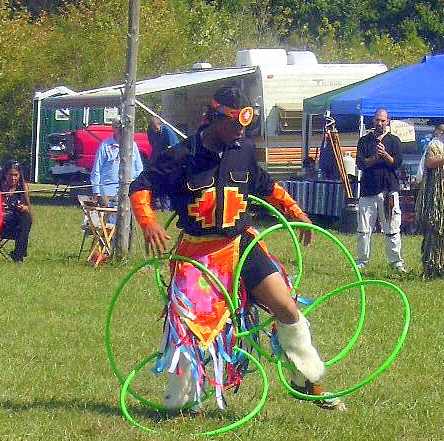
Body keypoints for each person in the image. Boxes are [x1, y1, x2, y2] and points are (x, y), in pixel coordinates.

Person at [130, 87, 345, 412]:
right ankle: (182, 403)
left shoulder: (244, 150)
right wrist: (149, 223)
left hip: (241, 245)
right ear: (215, 118)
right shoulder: (182, 156)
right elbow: (140, 186)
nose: (242, 131)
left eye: (247, 124)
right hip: (198, 254)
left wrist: (296, 212)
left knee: (287, 308)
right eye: (235, 124)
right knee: (189, 328)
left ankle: (308, 379)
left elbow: (265, 185)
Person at [355, 108, 405, 272]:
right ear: (373, 121)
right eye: (377, 120)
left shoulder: (394, 141)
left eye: (383, 120)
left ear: (387, 121)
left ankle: (396, 263)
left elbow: (397, 163)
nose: (380, 123)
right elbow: (360, 164)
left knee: (392, 228)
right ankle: (361, 262)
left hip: (389, 190)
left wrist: (385, 154)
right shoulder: (364, 141)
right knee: (363, 230)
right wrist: (375, 157)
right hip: (368, 190)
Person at [91, 118, 143, 207]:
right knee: (108, 216)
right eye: (118, 128)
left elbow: (139, 169)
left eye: (122, 128)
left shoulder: (132, 145)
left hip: (128, 191)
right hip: (107, 193)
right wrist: (96, 192)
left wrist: (133, 184)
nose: (120, 131)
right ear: (113, 128)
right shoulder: (105, 145)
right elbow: (96, 170)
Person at [416, 124, 444, 278]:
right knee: (435, 232)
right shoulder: (436, 144)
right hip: (438, 199)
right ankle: (432, 267)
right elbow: (429, 162)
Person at [146, 116, 179, 211]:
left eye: (155, 127)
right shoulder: (150, 131)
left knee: (166, 185)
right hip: (157, 159)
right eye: (152, 127)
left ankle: (168, 208)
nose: (154, 130)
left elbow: (175, 147)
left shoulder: (167, 131)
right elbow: (153, 145)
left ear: (160, 124)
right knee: (156, 183)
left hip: (168, 161)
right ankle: (157, 204)